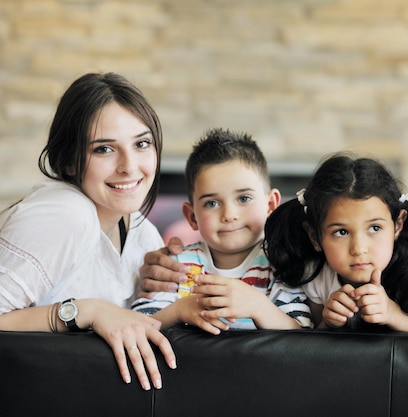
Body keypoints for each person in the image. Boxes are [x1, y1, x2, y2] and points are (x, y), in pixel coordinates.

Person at [0, 72, 176, 391]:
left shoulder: (141, 232)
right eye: (104, 150)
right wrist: (84, 310)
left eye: (142, 143)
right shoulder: (67, 214)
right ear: (69, 162)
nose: (129, 166)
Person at [132, 128, 313, 332]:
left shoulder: (281, 264)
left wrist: (257, 306)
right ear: (192, 217)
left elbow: (300, 332)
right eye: (211, 203)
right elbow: (138, 326)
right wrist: (179, 310)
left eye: (244, 199)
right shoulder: (177, 267)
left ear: (270, 205)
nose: (229, 214)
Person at [264, 154, 408, 333]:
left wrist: (394, 314)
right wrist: (328, 324)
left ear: (397, 225)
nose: (359, 249)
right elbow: (314, 340)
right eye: (341, 232)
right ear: (315, 237)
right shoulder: (317, 272)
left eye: (375, 228)